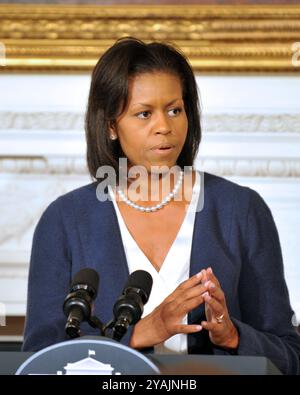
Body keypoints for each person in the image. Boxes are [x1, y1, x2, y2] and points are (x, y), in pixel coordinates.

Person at [22, 36, 300, 374]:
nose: (164, 127)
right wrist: (141, 333)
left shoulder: (240, 210)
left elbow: (290, 356)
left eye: (174, 110)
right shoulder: (64, 220)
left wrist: (232, 336)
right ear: (111, 125)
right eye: (144, 114)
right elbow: (38, 362)